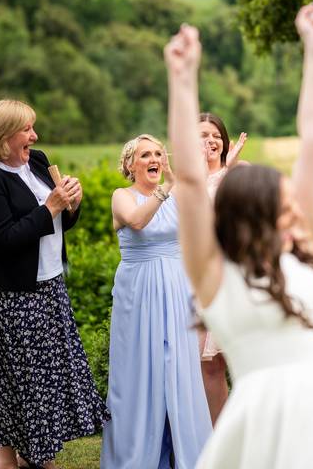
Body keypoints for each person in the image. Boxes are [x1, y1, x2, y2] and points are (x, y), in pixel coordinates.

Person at [164, 4, 313, 468]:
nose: (298, 206)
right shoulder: (212, 274)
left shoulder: (296, 257)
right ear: (256, 215)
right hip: (264, 426)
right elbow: (192, 183)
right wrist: (182, 79)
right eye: (284, 202)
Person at [0, 99, 108, 469]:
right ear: (4, 135)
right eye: (27, 129)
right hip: (10, 295)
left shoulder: (40, 161)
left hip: (49, 286)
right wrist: (51, 207)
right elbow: (5, 238)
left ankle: (20, 458)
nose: (35, 135)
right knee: (23, 383)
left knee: (45, 381)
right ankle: (33, 459)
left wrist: (71, 204)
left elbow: (60, 225)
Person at [100, 133, 212, 468]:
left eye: (159, 154)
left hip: (177, 290)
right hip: (139, 292)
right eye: (145, 155)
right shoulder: (122, 196)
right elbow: (136, 221)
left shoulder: (177, 196)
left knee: (180, 369)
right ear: (130, 165)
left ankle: (184, 453)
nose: (154, 160)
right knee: (138, 371)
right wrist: (167, 189)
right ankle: (135, 455)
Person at [199, 112, 247, 423]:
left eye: (216, 134)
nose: (211, 140)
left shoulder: (241, 171)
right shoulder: (184, 181)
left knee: (242, 358)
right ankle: (221, 438)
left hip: (236, 273)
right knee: (209, 364)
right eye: (203, 135)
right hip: (200, 277)